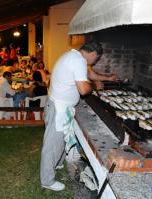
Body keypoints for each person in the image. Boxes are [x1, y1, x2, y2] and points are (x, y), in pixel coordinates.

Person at [40, 42, 105, 192]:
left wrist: (106, 77)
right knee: (52, 145)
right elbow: (83, 90)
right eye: (96, 59)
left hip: (59, 106)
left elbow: (88, 74)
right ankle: (47, 180)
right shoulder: (78, 61)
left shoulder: (73, 55)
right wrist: (95, 86)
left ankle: (57, 163)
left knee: (62, 138)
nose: (94, 62)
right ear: (94, 53)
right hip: (59, 108)